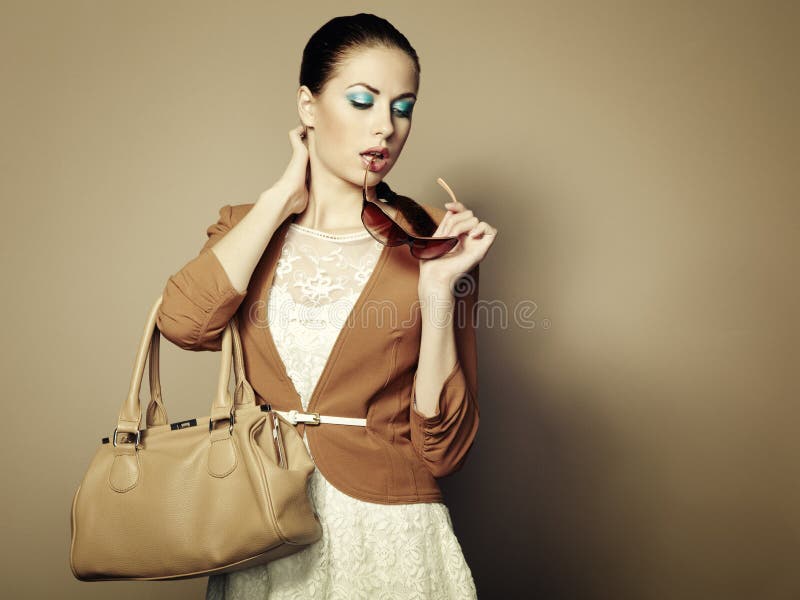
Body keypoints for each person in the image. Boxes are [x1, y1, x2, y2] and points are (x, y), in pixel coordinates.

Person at [157, 13, 497, 600]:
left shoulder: (431, 239)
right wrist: (280, 199)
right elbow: (183, 323)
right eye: (363, 101)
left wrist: (438, 291)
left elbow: (443, 448)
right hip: (264, 523)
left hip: (390, 533)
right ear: (308, 107)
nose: (386, 127)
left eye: (403, 107)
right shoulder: (245, 228)